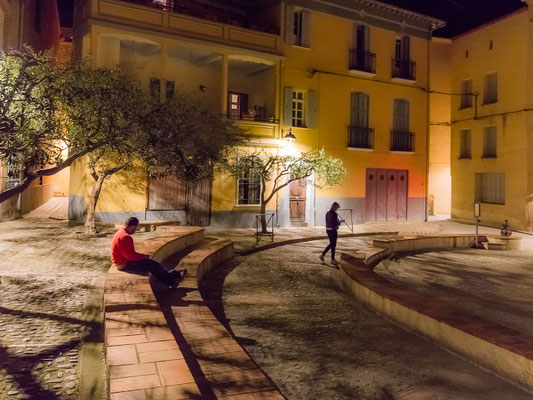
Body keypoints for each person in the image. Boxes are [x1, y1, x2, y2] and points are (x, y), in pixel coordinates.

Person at [111, 217, 186, 287]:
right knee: (150, 264)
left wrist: (143, 257)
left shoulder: (120, 232)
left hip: (121, 262)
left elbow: (129, 255)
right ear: (133, 226)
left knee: (151, 263)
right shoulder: (125, 237)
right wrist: (143, 256)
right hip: (124, 264)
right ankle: (171, 280)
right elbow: (130, 256)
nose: (136, 230)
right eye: (136, 227)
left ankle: (172, 275)